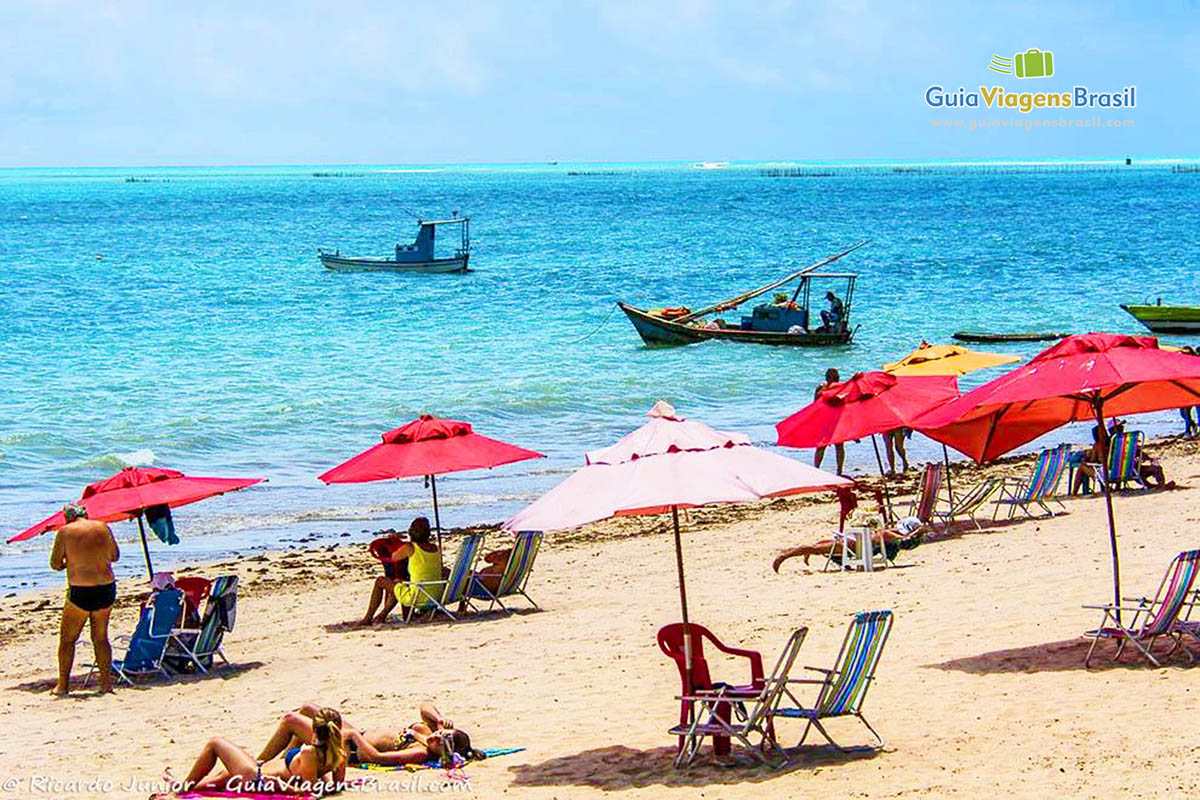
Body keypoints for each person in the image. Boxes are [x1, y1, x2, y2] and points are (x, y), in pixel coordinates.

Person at [169, 706, 345, 793]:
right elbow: (336, 786)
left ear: (314, 729)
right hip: (258, 775)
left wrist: (281, 786)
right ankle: (180, 786)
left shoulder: (308, 753)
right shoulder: (339, 752)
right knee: (221, 779)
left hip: (258, 778)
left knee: (215, 743)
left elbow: (308, 792)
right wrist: (324, 779)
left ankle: (181, 789)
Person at [258, 701, 483, 769]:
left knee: (291, 720)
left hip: (350, 748)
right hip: (355, 733)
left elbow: (377, 758)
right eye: (442, 734)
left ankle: (260, 763)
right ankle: (278, 764)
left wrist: (354, 737)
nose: (437, 737)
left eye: (441, 742)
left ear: (441, 751)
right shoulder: (428, 733)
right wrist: (440, 717)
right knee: (308, 709)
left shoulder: (419, 752)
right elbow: (424, 705)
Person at [49, 503, 119, 696]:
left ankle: (63, 686)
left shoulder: (65, 531)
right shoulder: (103, 526)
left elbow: (55, 563)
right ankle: (105, 684)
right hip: (106, 588)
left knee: (68, 639)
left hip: (81, 590)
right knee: (101, 638)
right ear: (86, 514)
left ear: (67, 517)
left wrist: (68, 563)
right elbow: (114, 556)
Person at [772, 518, 924, 571]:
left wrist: (916, 532)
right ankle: (786, 554)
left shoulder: (886, 533)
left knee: (817, 548)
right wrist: (918, 532)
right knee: (816, 547)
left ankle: (788, 553)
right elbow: (904, 540)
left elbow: (903, 539)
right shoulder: (887, 534)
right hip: (852, 547)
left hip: (852, 546)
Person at [359, 527, 409, 626]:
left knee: (389, 582)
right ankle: (381, 615)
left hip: (416, 590)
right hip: (432, 590)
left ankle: (374, 617)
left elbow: (394, 557)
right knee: (399, 582)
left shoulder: (410, 549)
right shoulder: (433, 549)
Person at [812, 368, 846, 474]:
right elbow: (815, 404)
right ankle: (816, 469)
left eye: (835, 376)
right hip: (825, 420)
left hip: (836, 420)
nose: (835, 378)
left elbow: (845, 403)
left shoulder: (840, 387)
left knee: (839, 446)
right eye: (834, 376)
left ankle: (839, 471)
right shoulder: (822, 388)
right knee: (822, 446)